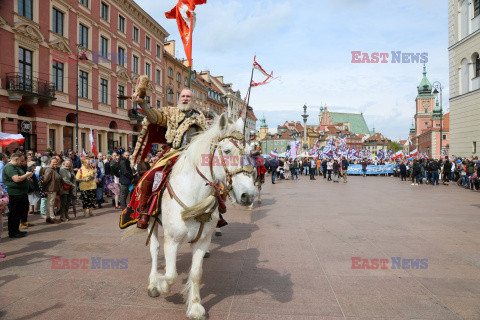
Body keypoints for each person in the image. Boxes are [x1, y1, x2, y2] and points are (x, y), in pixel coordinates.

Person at [121, 77, 211, 230]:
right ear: (179, 98)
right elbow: (154, 117)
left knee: (214, 178)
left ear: (192, 99)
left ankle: (216, 211)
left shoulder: (200, 117)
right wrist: (142, 103)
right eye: (183, 96)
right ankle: (144, 212)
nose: (185, 98)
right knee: (149, 177)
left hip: (195, 155)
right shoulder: (171, 112)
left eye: (188, 96)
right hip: (174, 153)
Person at [2, 152, 32, 238]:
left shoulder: (16, 167)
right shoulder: (9, 167)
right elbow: (16, 179)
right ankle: (13, 232)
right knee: (14, 214)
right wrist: (26, 175)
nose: (22, 162)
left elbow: (20, 177)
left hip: (21, 193)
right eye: (21, 161)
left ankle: (16, 230)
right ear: (16, 159)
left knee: (19, 213)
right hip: (15, 194)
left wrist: (26, 178)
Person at [41, 157, 63, 224]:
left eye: (56, 162)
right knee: (51, 203)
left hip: (53, 188)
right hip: (51, 189)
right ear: (50, 162)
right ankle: (52, 217)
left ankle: (48, 217)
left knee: (50, 203)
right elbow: (45, 180)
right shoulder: (49, 170)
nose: (55, 163)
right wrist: (44, 188)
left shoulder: (54, 169)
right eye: (53, 162)